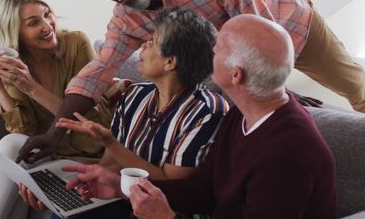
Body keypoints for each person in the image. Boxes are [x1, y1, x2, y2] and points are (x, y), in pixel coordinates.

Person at [17, 0, 365, 164]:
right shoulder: (127, 15)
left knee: (357, 88)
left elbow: (256, 24)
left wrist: (275, 91)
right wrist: (54, 134)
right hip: (234, 55)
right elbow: (99, 70)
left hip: (285, 19)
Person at [60, 14, 337, 218]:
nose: (210, 53)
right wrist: (124, 188)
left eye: (218, 50)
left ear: (235, 74)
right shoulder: (242, 116)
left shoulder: (286, 155)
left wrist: (166, 218)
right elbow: (203, 190)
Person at [18, 7, 230, 218]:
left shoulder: (207, 111)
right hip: (124, 197)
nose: (143, 46)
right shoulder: (134, 95)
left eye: (153, 41)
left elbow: (169, 187)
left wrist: (110, 142)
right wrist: (65, 195)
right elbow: (108, 167)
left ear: (170, 62)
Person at [0, 0, 124, 219]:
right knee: (12, 144)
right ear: (17, 33)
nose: (47, 25)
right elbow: (25, 134)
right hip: (49, 155)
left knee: (14, 182)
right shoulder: (16, 63)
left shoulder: (77, 44)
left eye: (47, 14)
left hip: (89, 151)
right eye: (34, 22)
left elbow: (90, 123)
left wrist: (32, 87)